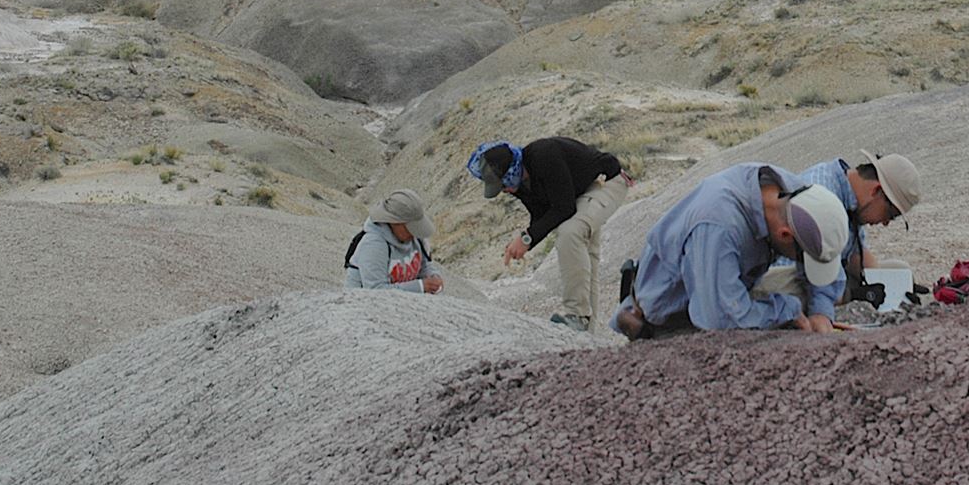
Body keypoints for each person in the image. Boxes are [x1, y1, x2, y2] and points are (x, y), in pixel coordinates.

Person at [610, 165, 847, 339]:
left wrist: (821, 313)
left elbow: (825, 259)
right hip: (673, 317)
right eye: (803, 257)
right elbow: (718, 319)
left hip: (733, 288)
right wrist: (788, 311)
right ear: (785, 235)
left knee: (799, 298)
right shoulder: (718, 226)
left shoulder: (793, 192)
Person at [468, 137, 632, 332]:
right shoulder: (519, 182)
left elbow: (564, 208)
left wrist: (527, 239)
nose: (506, 190)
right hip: (579, 192)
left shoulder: (544, 155)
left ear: (512, 170)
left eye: (504, 184)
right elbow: (540, 216)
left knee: (570, 233)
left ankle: (577, 316)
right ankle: (587, 334)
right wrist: (522, 241)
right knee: (586, 259)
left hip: (606, 181)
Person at [755, 151, 922, 331]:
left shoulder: (854, 199)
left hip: (825, 271)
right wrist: (854, 295)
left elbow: (857, 256)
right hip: (784, 273)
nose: (886, 223)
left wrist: (896, 286)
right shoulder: (822, 189)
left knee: (899, 268)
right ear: (876, 191)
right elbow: (808, 271)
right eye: (891, 214)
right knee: (811, 293)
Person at [343, 189, 445, 294]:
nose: (414, 233)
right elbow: (375, 290)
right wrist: (420, 286)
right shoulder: (374, 244)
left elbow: (424, 265)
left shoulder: (415, 238)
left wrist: (434, 277)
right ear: (395, 222)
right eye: (411, 228)